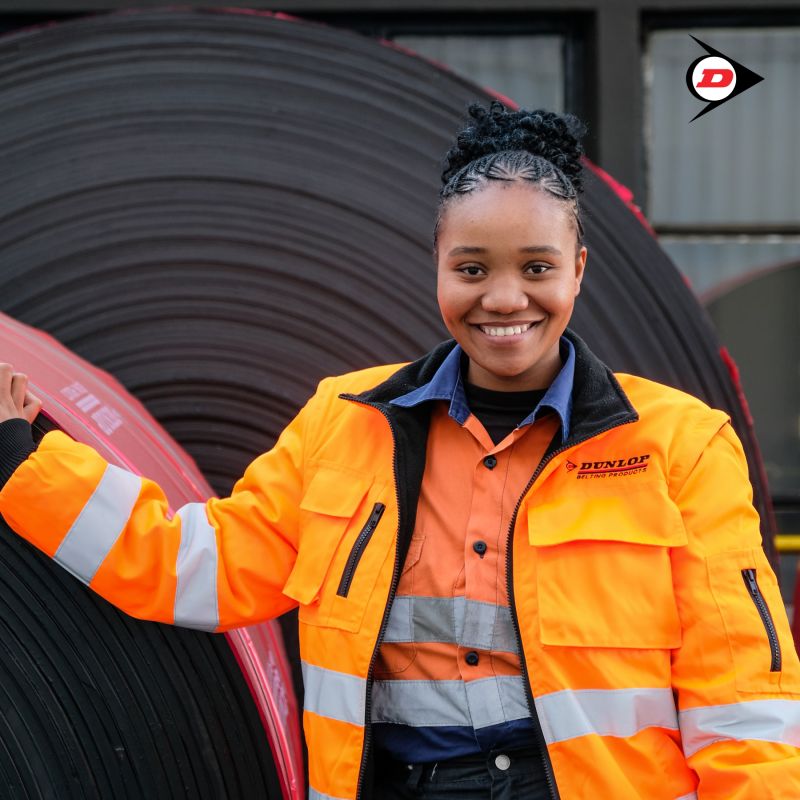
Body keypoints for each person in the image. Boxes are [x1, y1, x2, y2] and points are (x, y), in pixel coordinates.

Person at [1, 100, 799, 800]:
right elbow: (195, 567)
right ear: (438, 270)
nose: (505, 298)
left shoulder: (680, 445)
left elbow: (742, 697)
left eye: (538, 267)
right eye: (473, 268)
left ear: (579, 271)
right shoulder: (345, 423)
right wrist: (22, 463)